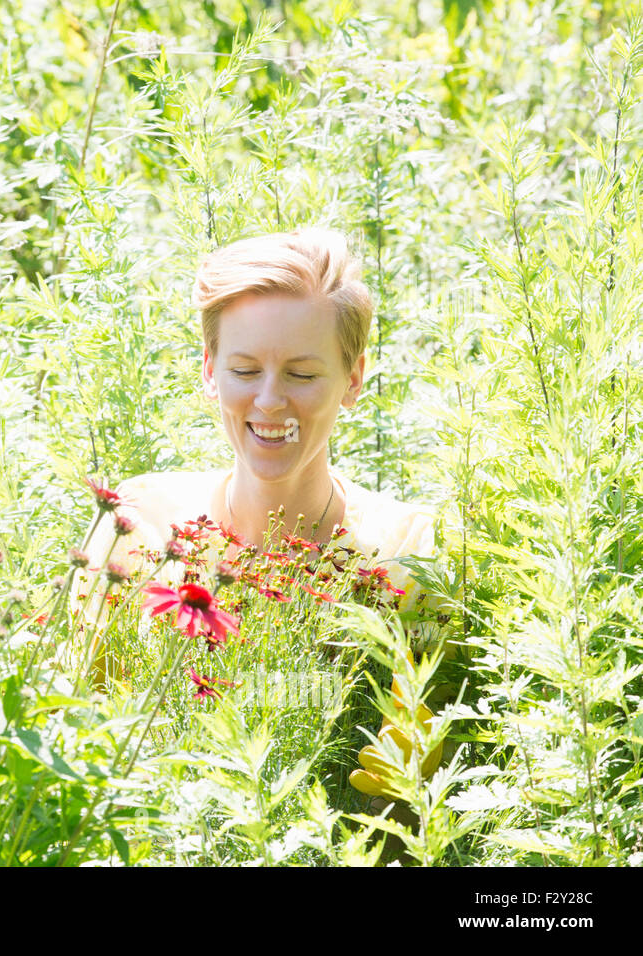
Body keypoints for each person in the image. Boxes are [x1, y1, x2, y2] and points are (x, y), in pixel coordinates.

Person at [70, 227, 449, 804]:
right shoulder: (137, 527)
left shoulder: (408, 554)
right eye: (245, 370)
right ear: (209, 369)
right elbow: (70, 730)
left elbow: (421, 794)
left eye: (301, 374)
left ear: (353, 378)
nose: (270, 400)